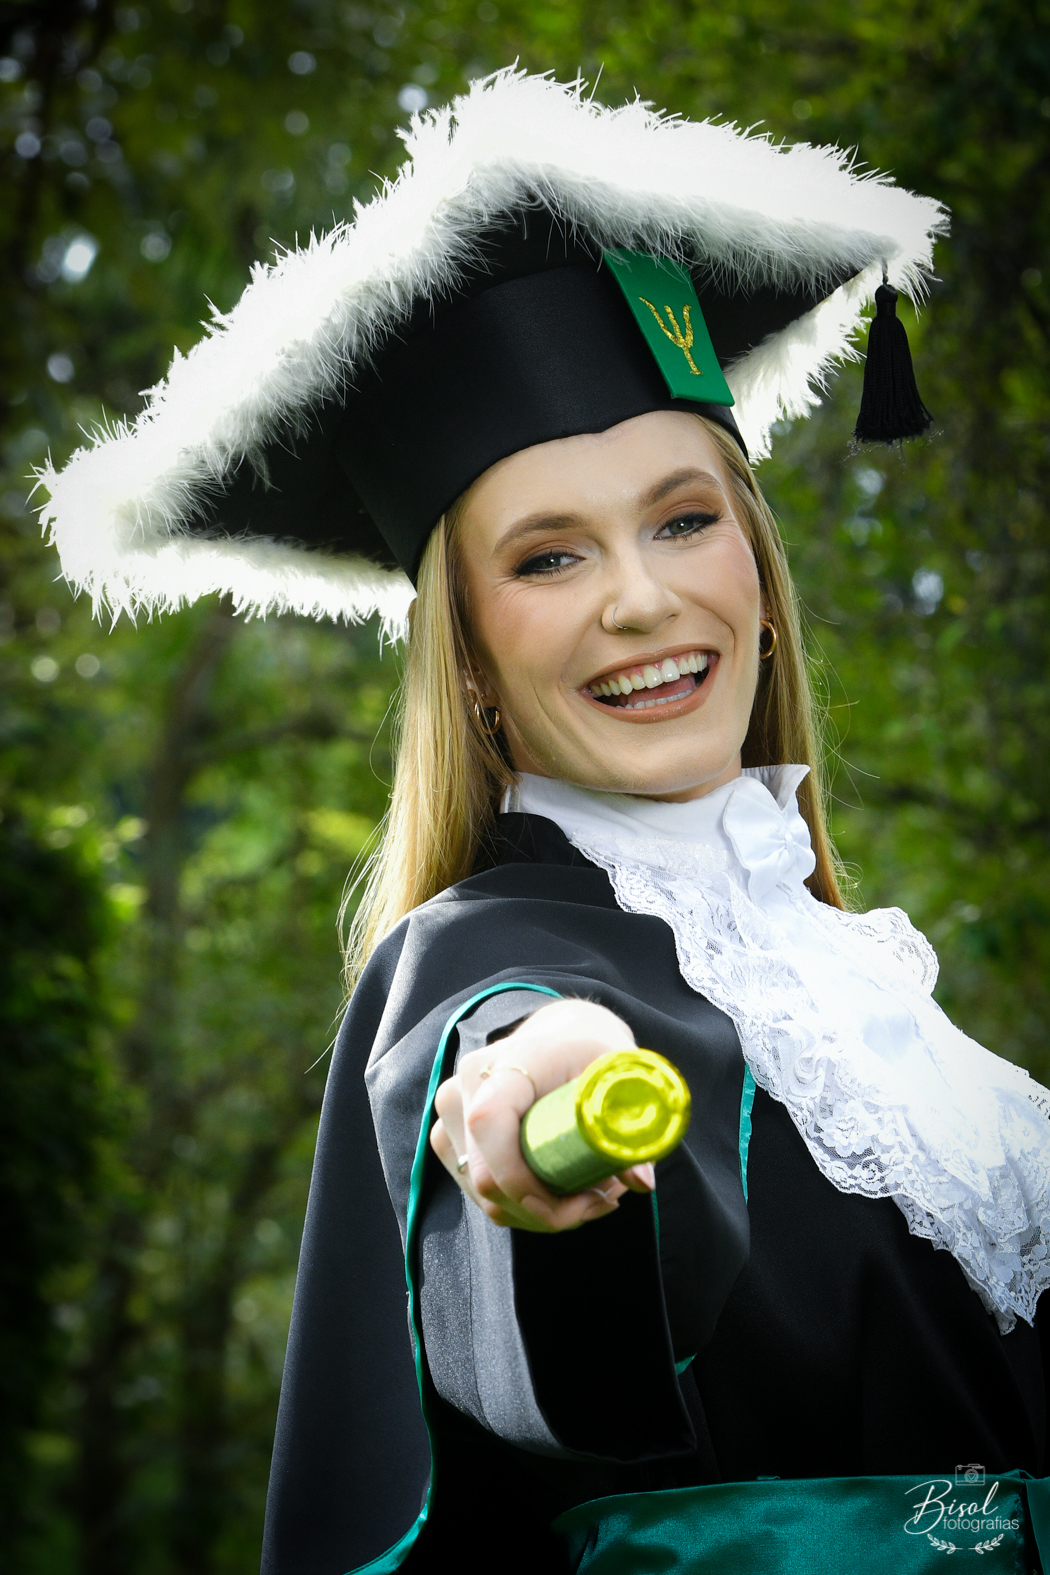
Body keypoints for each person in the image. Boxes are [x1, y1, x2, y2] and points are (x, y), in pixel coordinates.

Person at [41, 69, 1048, 1575]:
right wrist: (545, 1114)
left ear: (760, 578)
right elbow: (505, 1096)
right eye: (548, 556)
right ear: (472, 660)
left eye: (684, 519)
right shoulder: (484, 955)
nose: (642, 597)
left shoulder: (855, 984)